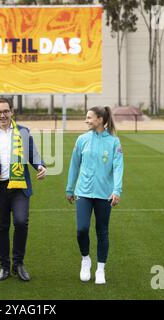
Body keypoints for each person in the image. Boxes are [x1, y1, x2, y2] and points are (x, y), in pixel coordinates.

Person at [0, 97, 46, 282]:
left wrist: (40, 166)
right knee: (1, 228)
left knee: (22, 222)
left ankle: (19, 264)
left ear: (12, 112)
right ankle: (4, 267)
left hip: (19, 187)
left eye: (5, 111)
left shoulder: (23, 132)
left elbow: (33, 154)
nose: (2, 115)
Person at [66, 106, 124, 285]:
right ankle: (85, 260)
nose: (86, 120)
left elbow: (118, 168)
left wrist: (116, 191)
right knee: (81, 229)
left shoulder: (114, 142)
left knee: (102, 231)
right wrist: (70, 188)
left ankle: (100, 269)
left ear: (100, 119)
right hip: (82, 192)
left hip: (104, 194)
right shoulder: (82, 139)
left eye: (89, 117)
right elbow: (74, 165)